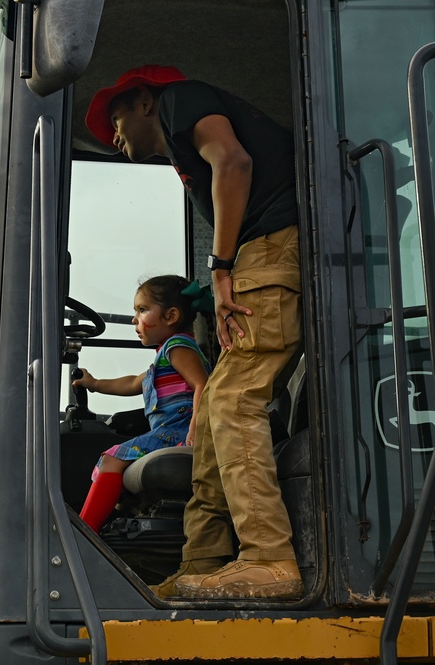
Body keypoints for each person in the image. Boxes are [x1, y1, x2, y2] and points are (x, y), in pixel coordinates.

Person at [85, 64, 303, 599]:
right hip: (257, 252)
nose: (112, 133)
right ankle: (201, 563)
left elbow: (233, 161)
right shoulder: (182, 150)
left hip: (269, 249)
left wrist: (221, 266)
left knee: (230, 403)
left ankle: (270, 559)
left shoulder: (180, 100)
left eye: (114, 116)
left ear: (143, 102)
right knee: (209, 422)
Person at [74, 275, 211, 533]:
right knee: (113, 460)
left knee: (111, 459)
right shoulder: (163, 356)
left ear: (170, 316)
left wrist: (196, 427)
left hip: (179, 431)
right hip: (169, 431)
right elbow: (132, 383)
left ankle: (85, 532)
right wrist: (94, 383)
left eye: (142, 310)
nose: (135, 319)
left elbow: (203, 385)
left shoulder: (177, 346)